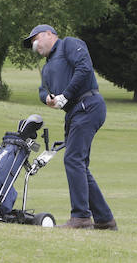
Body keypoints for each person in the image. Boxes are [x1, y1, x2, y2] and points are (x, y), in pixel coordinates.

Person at [23, 24, 118, 231]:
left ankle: (81, 218)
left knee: (73, 159)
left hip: (88, 105)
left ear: (50, 34)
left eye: (36, 38)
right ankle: (105, 220)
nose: (34, 44)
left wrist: (66, 94)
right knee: (79, 164)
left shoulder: (69, 45)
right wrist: (47, 99)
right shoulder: (47, 67)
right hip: (74, 113)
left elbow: (84, 68)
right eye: (32, 43)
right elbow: (42, 90)